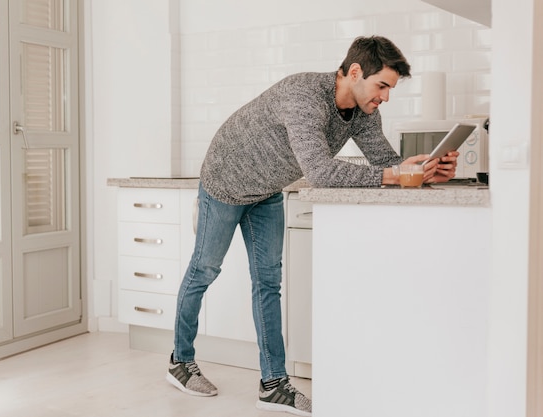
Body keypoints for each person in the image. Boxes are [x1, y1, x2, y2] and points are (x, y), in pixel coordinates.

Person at [165, 35, 458, 416]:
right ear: (355, 72)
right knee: (204, 270)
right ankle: (180, 361)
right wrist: (395, 174)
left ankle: (273, 384)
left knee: (268, 283)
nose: (385, 97)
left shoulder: (364, 113)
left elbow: (385, 162)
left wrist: (423, 172)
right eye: (382, 85)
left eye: (389, 89)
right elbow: (320, 172)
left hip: (267, 190)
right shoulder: (303, 95)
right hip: (224, 181)